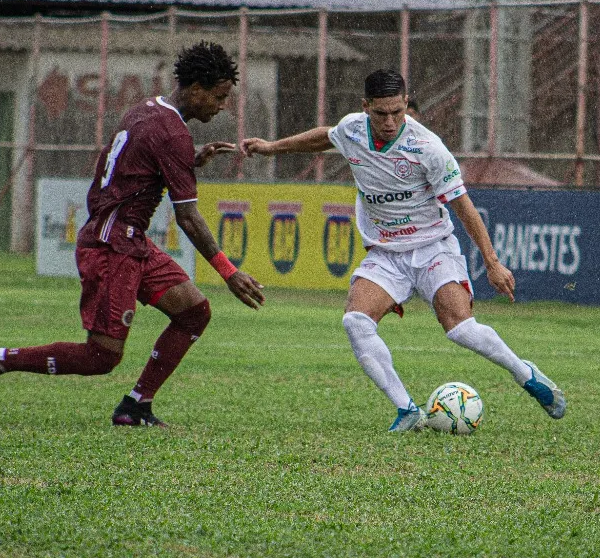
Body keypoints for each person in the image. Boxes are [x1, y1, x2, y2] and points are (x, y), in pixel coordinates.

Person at [239, 68, 565, 431]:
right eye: (381, 114)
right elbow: (325, 138)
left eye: (399, 111)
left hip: (432, 248)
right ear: (365, 107)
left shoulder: (429, 149)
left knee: (459, 328)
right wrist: (272, 147)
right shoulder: (352, 129)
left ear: (407, 104)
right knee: (355, 321)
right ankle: (407, 409)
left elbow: (464, 207)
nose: (391, 121)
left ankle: (525, 374)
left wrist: (492, 263)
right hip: (386, 253)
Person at [0, 42, 266, 427]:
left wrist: (189, 161)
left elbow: (135, 164)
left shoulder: (148, 109)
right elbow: (187, 217)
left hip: (129, 239)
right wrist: (228, 271)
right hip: (111, 245)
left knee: (193, 312)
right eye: (219, 97)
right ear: (195, 90)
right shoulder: (172, 132)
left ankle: (136, 405)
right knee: (101, 357)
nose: (222, 106)